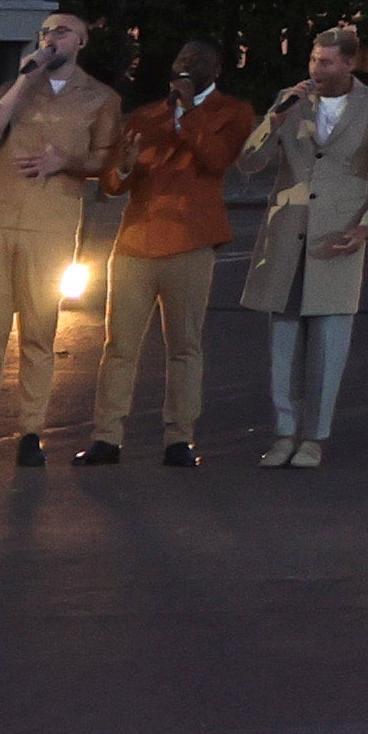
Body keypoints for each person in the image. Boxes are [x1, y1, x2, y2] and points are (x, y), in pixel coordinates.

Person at [0, 7, 122, 466]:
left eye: (63, 31)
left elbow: (104, 160)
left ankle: (31, 431)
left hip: (52, 218)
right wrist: (24, 80)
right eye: (46, 31)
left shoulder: (100, 96)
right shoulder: (20, 86)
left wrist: (64, 161)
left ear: (82, 41)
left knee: (39, 330)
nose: (52, 38)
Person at [91, 34, 259, 467]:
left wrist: (187, 116)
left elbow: (217, 161)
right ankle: (106, 437)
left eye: (196, 60)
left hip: (190, 242)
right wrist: (124, 165)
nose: (185, 64)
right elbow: (113, 184)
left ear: (215, 70)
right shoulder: (147, 116)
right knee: (119, 346)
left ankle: (178, 439)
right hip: (134, 243)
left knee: (184, 345)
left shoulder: (233, 113)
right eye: (181, 56)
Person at [241, 25, 368, 472]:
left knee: (329, 344)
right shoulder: (289, 100)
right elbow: (249, 162)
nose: (316, 69)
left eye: (327, 62)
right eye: (313, 60)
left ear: (350, 63)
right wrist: (272, 121)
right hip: (287, 233)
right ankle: (284, 432)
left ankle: (314, 436)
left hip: (338, 236)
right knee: (284, 342)